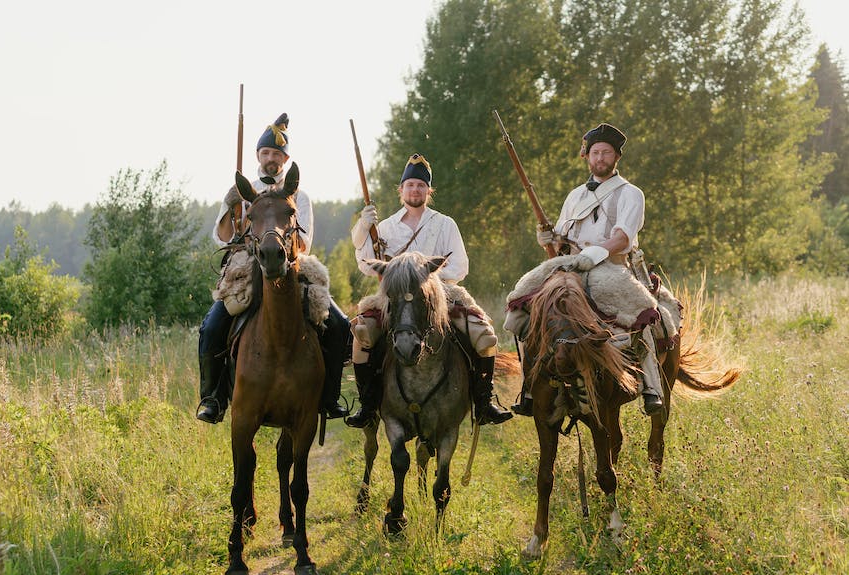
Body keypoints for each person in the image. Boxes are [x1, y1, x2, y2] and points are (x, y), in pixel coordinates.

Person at [196, 112, 351, 424]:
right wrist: (231, 207)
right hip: (245, 266)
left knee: (339, 324)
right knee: (211, 327)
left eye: (277, 154)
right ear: (258, 156)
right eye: (266, 153)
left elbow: (304, 243)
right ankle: (212, 398)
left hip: (291, 264)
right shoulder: (244, 190)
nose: (271, 159)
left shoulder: (298, 195)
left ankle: (330, 397)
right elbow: (222, 237)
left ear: (285, 158)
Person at [344, 153, 512, 428]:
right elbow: (364, 263)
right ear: (401, 190)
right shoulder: (384, 226)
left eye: (421, 185)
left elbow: (460, 266)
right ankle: (368, 405)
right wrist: (363, 225)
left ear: (428, 191)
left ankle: (483, 402)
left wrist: (425, 279)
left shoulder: (445, 224)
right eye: (410, 185)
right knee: (361, 337)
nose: (415, 190)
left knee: (485, 336)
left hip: (443, 294)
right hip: (393, 298)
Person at [516, 122, 664, 416]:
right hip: (570, 264)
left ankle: (651, 387)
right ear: (588, 156)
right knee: (520, 302)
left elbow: (623, 237)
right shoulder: (574, 196)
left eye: (606, 153)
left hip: (610, 266)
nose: (600, 158)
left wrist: (594, 255)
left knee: (642, 308)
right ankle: (530, 388)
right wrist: (547, 238)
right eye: (596, 152)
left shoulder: (630, 193)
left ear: (616, 157)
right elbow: (559, 239)